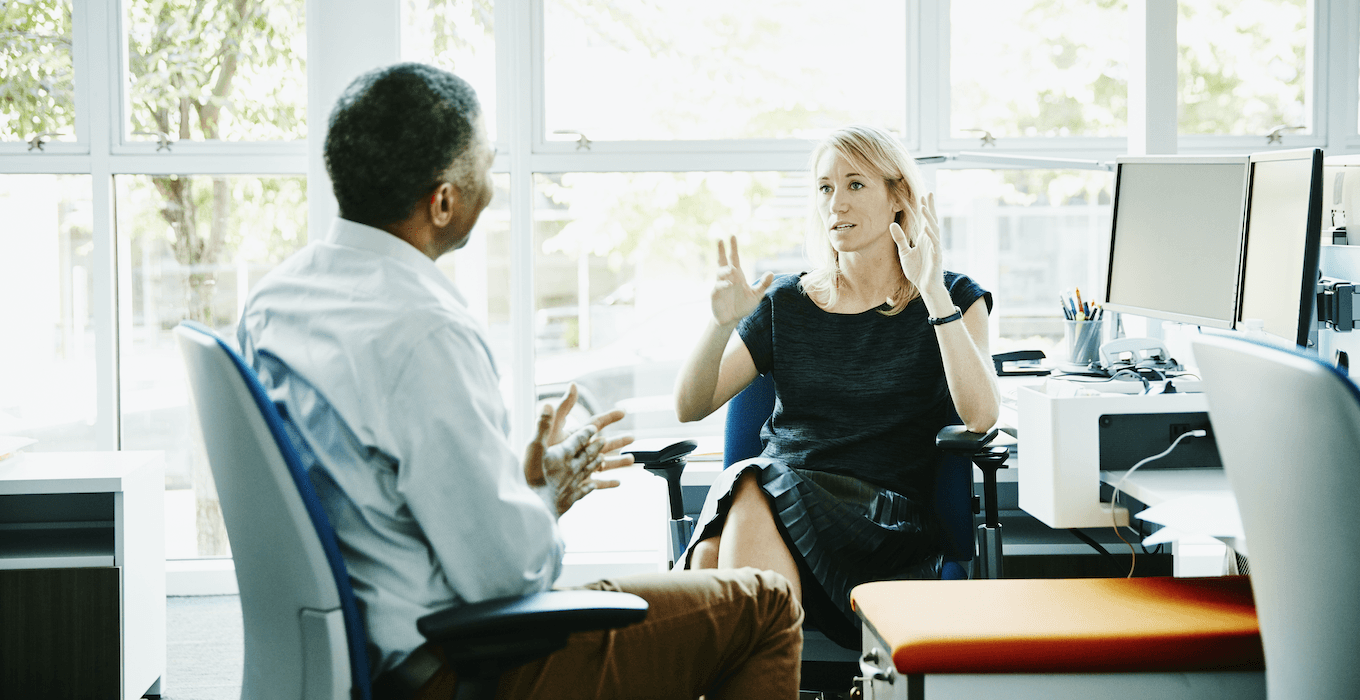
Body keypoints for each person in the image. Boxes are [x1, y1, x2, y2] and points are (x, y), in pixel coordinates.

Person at [238, 63, 802, 700]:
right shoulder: (425, 330)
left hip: (346, 656)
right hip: (452, 662)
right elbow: (509, 577)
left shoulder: (275, 300)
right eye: (488, 162)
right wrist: (541, 502)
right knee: (766, 604)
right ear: (444, 199)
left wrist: (529, 485)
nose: (496, 183)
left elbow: (374, 484)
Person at [673, 124, 1000, 649]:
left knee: (744, 495)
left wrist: (933, 294)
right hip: (777, 503)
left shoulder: (954, 295)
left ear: (898, 197)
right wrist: (718, 326)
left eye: (854, 185)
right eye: (825, 188)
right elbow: (690, 406)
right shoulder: (787, 301)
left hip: (882, 523)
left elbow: (982, 417)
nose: (835, 203)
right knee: (721, 541)